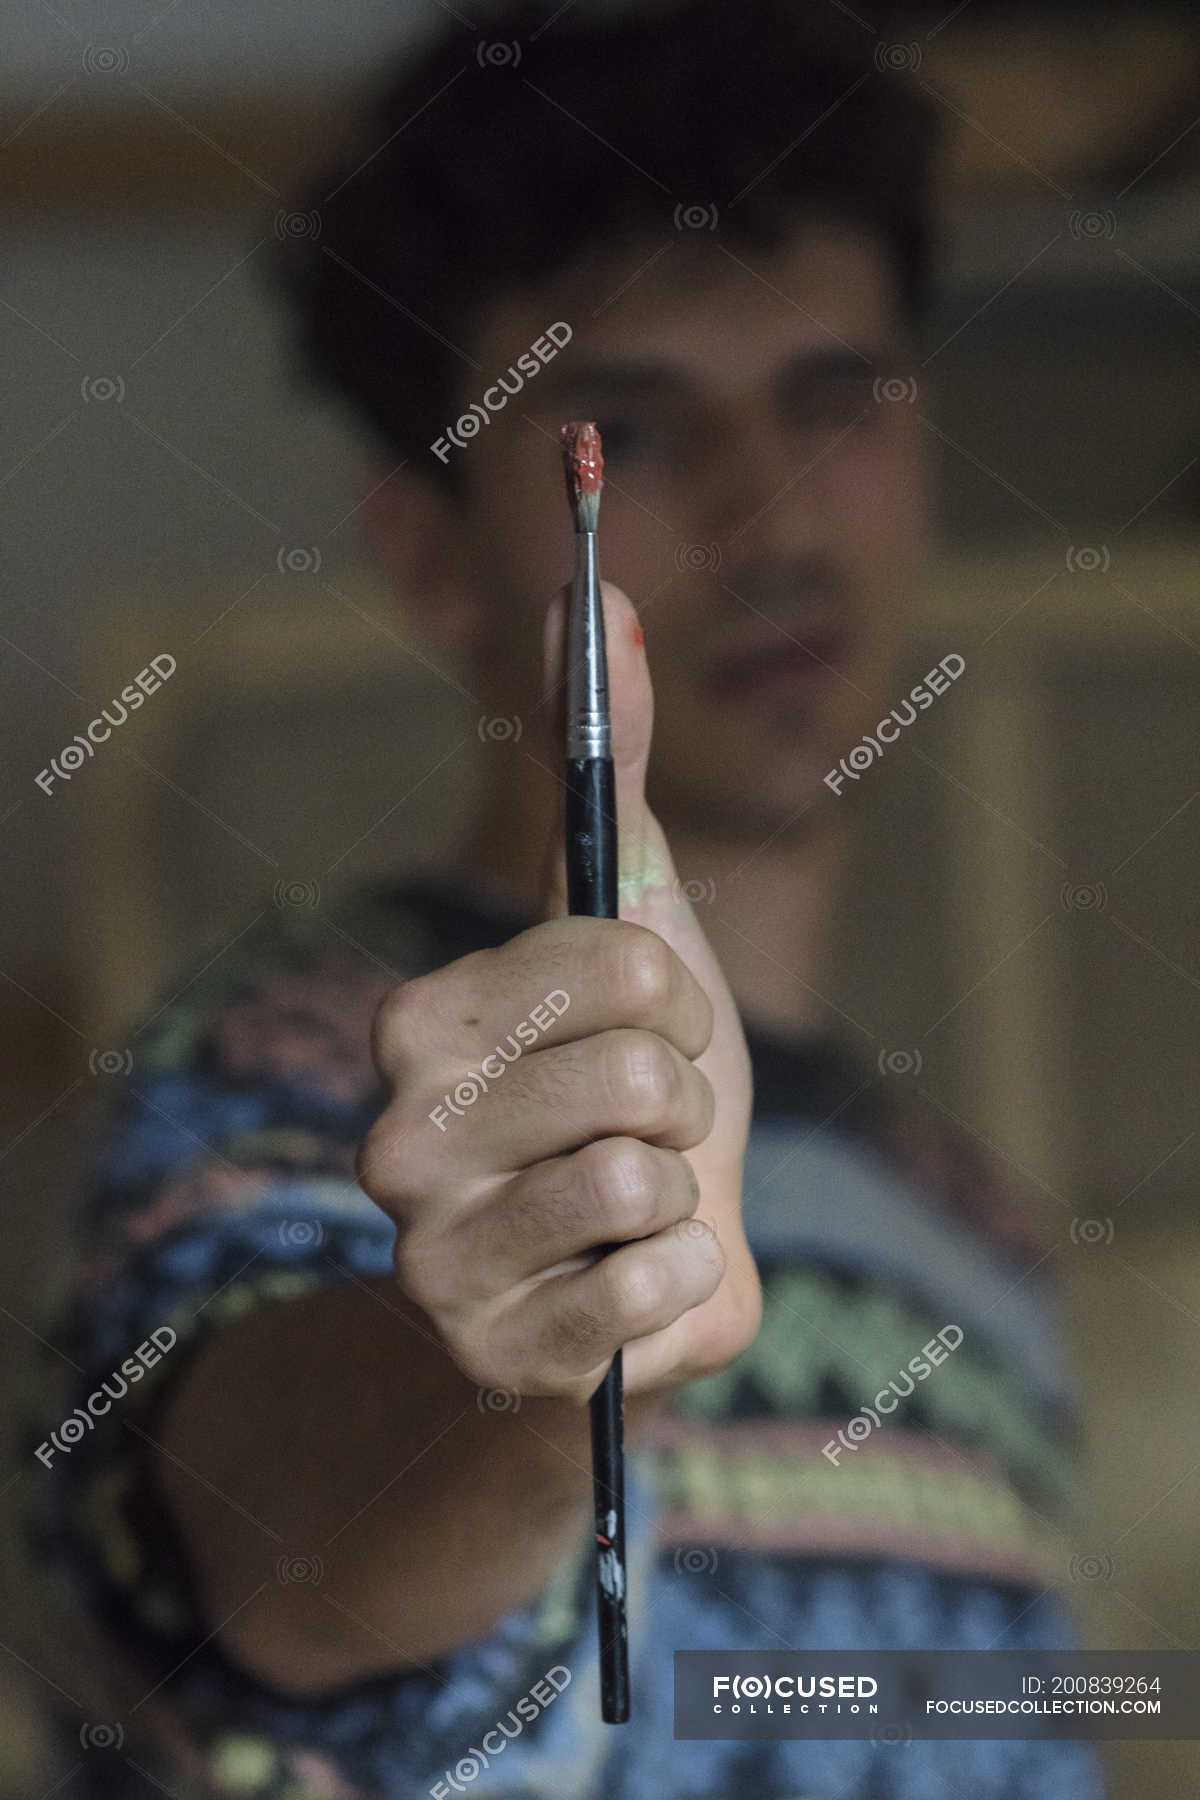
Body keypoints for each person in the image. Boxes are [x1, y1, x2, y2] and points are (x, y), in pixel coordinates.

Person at [23, 1, 1105, 1795]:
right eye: (641, 429)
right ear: (433, 561)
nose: (775, 519)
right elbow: (266, 1594)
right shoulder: (278, 1063)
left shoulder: (976, 1224)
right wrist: (512, 1389)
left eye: (835, 402)